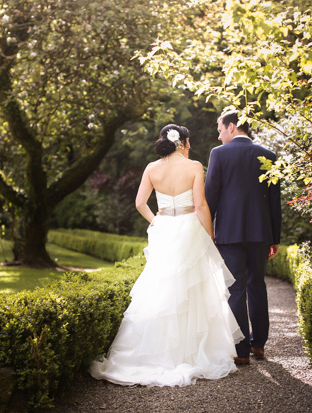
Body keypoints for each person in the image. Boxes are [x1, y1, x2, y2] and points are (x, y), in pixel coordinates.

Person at [89, 124, 243, 387]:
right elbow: (200, 205)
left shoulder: (151, 168)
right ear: (182, 142)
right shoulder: (193, 166)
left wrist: (155, 222)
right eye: (189, 141)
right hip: (188, 228)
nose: (190, 145)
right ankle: (190, 350)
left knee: (161, 286)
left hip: (164, 229)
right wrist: (210, 235)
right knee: (191, 287)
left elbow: (139, 203)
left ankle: (153, 350)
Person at [205, 110, 282, 365]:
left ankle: (241, 350)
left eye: (219, 129)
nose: (218, 135)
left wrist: (209, 233)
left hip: (229, 233)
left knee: (235, 288)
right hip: (261, 233)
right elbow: (274, 202)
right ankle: (258, 344)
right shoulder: (269, 155)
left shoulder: (218, 154)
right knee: (257, 285)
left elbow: (211, 197)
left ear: (232, 126)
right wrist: (275, 238)